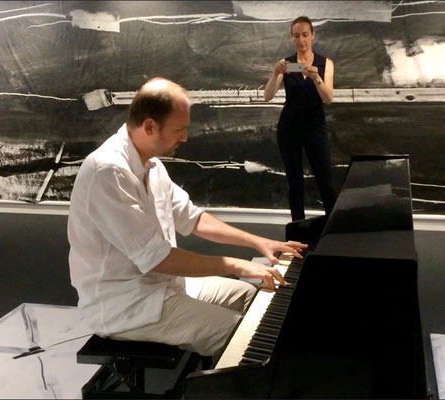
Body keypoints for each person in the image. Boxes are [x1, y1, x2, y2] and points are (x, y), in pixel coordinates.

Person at [67, 77, 307, 357]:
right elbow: (157, 259)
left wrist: (257, 242)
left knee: (257, 301)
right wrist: (237, 266)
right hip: (126, 303)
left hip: (166, 286)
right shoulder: (107, 171)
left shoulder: (152, 166)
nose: (185, 137)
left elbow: (193, 219)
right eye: (179, 129)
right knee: (244, 337)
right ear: (149, 126)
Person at [263, 15, 337, 221]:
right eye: (296, 36)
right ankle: (297, 234)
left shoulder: (325, 63)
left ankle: (333, 232)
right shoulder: (287, 64)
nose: (301, 40)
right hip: (290, 127)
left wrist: (317, 79)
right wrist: (274, 73)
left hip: (315, 126)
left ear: (312, 35)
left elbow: (328, 98)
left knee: (326, 181)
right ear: (291, 38)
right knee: (295, 183)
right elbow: (268, 96)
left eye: (305, 35)